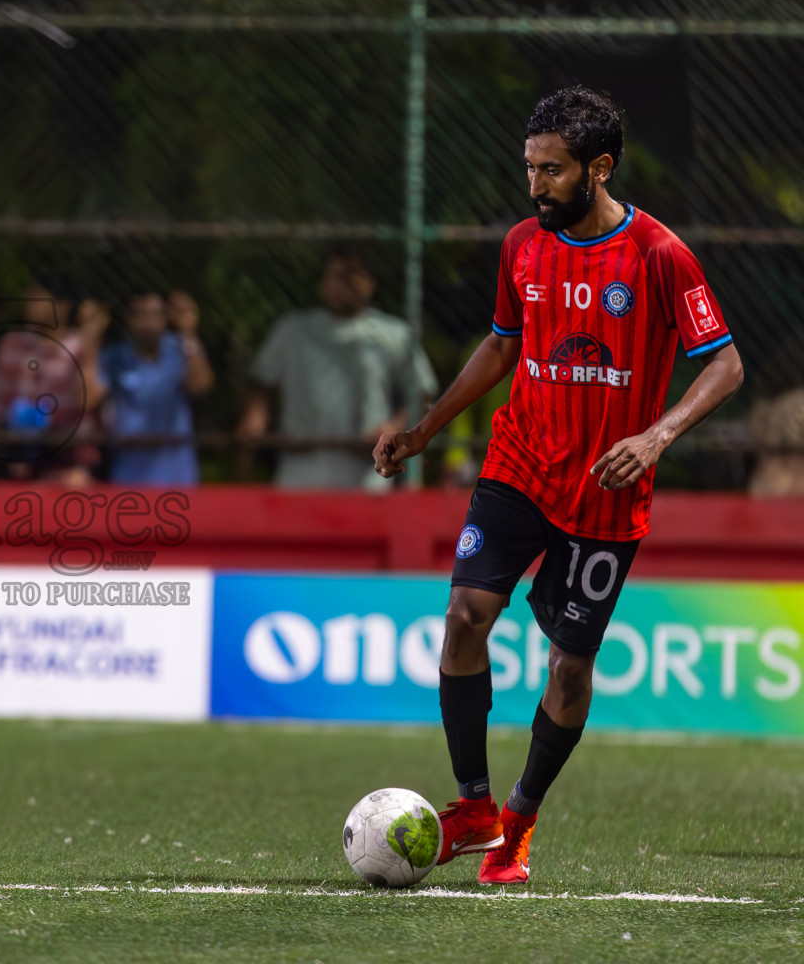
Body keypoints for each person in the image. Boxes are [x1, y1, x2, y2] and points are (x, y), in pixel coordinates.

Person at [372, 86, 744, 885]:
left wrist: (657, 435)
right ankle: (470, 804)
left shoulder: (659, 255)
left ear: (599, 168)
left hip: (606, 493)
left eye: (552, 169)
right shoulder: (522, 247)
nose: (535, 184)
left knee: (569, 670)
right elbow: (501, 348)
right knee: (466, 615)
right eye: (530, 167)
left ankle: (518, 820)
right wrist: (424, 431)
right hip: (518, 465)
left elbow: (726, 362)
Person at [239, 249, 437, 490]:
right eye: (334, 275)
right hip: (299, 469)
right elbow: (260, 384)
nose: (341, 284)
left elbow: (422, 394)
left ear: (370, 283)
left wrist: (392, 429)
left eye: (351, 276)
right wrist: (255, 419)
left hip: (366, 474)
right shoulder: (292, 330)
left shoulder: (393, 334)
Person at [0, 278, 108, 484]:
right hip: (20, 453)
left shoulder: (80, 346)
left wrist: (91, 342)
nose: (30, 304)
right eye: (29, 298)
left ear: (63, 305)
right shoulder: (14, 342)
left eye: (38, 299)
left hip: (69, 456)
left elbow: (90, 398)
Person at [101, 289, 214, 485]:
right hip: (130, 474)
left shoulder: (181, 349)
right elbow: (89, 397)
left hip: (178, 475)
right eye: (141, 315)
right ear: (128, 319)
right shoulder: (113, 358)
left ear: (166, 317)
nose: (149, 322)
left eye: (155, 314)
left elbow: (201, 386)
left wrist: (189, 331)